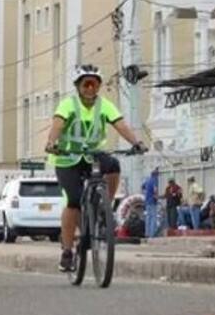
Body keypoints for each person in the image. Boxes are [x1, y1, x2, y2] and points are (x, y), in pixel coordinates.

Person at [45, 65, 146, 273]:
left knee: (114, 165)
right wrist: (51, 143)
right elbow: (57, 124)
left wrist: (136, 142)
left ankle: (103, 208)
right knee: (73, 200)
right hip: (67, 157)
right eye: (86, 84)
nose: (90, 88)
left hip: (93, 155)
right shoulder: (68, 105)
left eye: (94, 84)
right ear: (78, 87)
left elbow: (120, 125)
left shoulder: (104, 105)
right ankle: (67, 251)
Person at [141, 167, 161, 238]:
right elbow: (155, 190)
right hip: (152, 201)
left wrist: (146, 193)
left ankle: (147, 233)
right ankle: (152, 234)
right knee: (153, 218)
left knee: (148, 218)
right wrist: (156, 197)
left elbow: (142, 187)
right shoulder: (154, 180)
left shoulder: (148, 180)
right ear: (156, 175)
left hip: (147, 201)